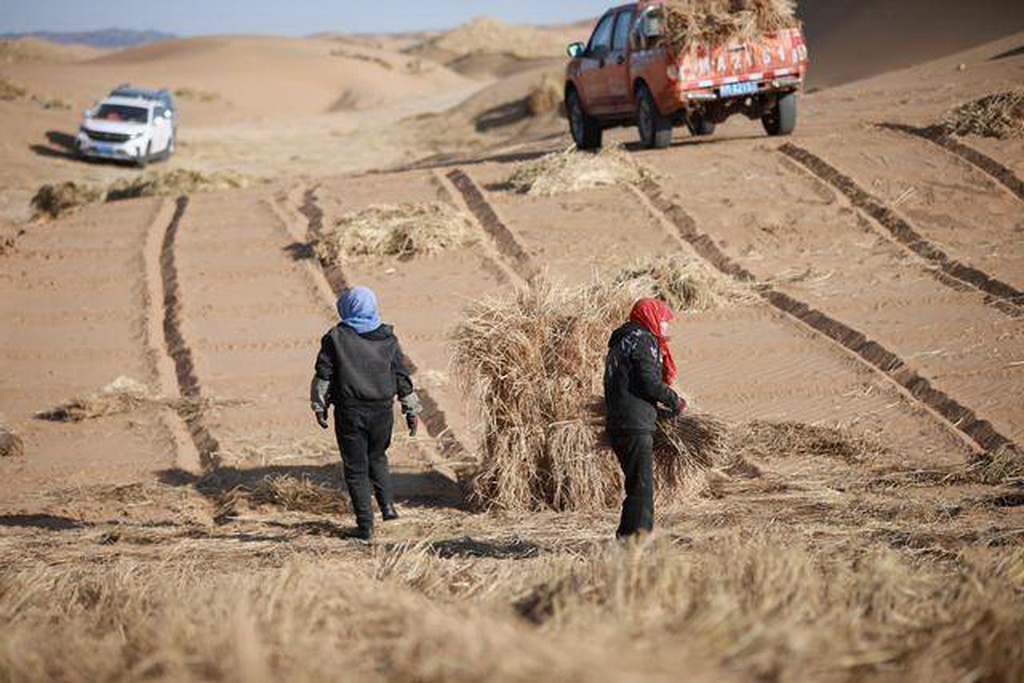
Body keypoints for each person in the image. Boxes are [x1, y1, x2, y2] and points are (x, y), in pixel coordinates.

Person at [310, 286, 422, 540]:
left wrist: (319, 405)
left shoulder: (335, 338)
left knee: (355, 468)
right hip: (382, 411)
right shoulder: (388, 339)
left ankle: (365, 526)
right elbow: (401, 377)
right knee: (378, 457)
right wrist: (411, 409)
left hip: (350, 412)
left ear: (346, 308)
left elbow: (324, 375)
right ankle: (388, 507)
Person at [603, 298, 686, 538]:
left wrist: (658, 414)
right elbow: (649, 383)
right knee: (642, 486)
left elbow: (629, 389)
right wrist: (674, 400)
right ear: (650, 317)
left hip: (621, 422)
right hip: (634, 426)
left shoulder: (621, 343)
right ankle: (637, 539)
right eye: (663, 321)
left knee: (636, 484)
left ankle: (627, 537)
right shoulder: (643, 340)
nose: (665, 327)